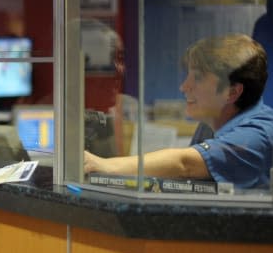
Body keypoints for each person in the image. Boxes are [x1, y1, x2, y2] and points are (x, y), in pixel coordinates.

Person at [84, 33, 273, 189]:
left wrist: (104, 165)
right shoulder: (210, 124)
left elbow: (185, 164)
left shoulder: (257, 135)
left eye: (197, 78)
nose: (184, 87)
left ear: (232, 91)